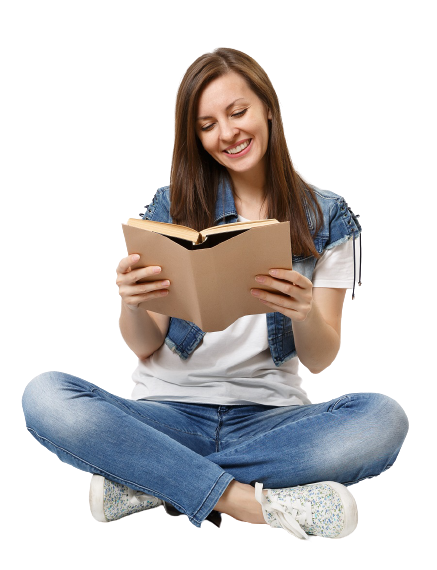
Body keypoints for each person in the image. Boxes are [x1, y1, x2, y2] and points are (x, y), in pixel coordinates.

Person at [21, 47, 408, 541]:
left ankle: (151, 481)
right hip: (165, 414)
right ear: (193, 135)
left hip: (272, 423)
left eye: (238, 112)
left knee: (382, 420)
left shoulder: (328, 217)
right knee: (45, 395)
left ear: (268, 106)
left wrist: (304, 311)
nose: (227, 134)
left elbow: (321, 358)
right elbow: (144, 344)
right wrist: (132, 302)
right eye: (206, 125)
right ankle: (250, 503)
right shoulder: (171, 206)